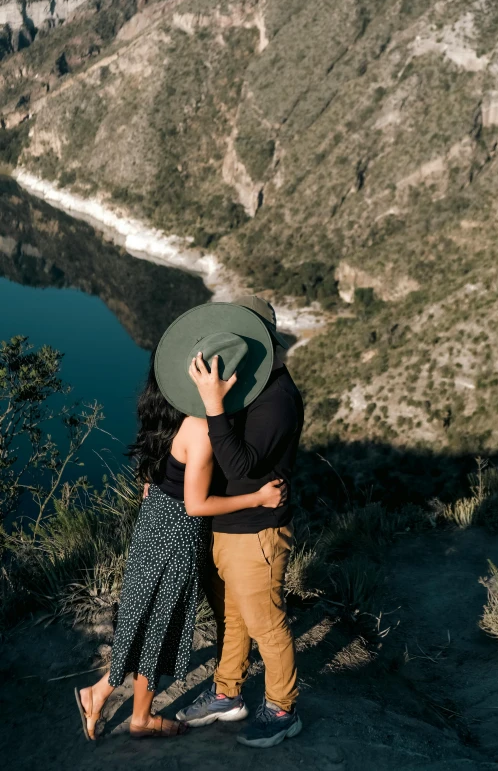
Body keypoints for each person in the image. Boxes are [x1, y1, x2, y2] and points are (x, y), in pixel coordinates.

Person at [74, 305, 287, 741]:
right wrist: (259, 496)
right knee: (161, 622)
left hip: (154, 524)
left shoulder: (167, 409)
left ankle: (114, 702)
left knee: (144, 617)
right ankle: (127, 710)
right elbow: (196, 504)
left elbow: (163, 473)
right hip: (176, 533)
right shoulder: (202, 427)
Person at [177, 295, 304, 749]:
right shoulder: (246, 387)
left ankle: (282, 709)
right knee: (233, 617)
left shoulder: (277, 397)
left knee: (266, 622)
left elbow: (240, 467)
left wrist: (214, 406)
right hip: (231, 526)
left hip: (258, 532)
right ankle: (226, 693)